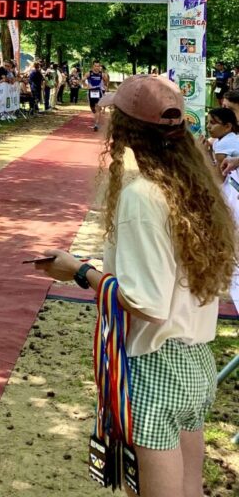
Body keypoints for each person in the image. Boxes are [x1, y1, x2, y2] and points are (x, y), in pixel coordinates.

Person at [37, 75, 236, 497]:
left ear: (126, 129)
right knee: (188, 487)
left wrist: (80, 271)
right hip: (195, 358)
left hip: (155, 362)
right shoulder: (192, 186)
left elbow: (146, 302)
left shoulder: (143, 195)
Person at [84, 59, 105, 130]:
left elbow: (106, 81)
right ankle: (94, 110)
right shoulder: (89, 73)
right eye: (95, 66)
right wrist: (86, 85)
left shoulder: (102, 74)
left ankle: (96, 125)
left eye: (98, 66)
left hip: (99, 92)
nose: (97, 67)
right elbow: (83, 80)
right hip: (91, 92)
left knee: (98, 108)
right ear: (93, 66)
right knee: (93, 108)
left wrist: (105, 87)